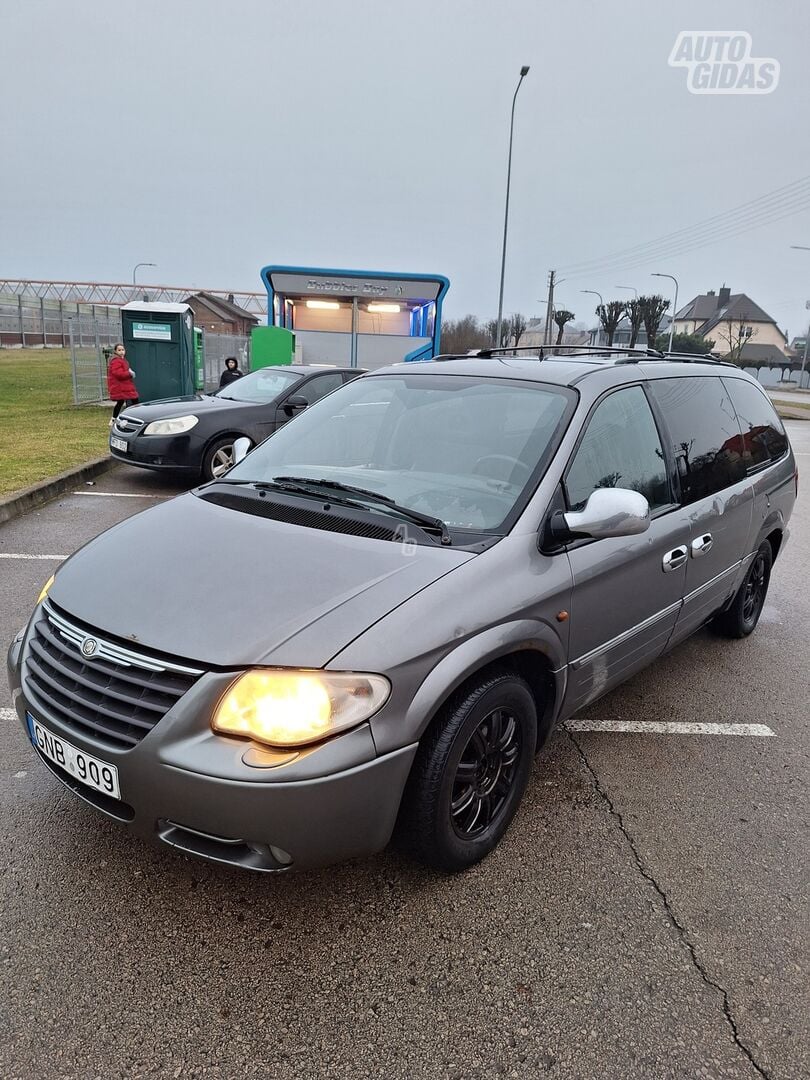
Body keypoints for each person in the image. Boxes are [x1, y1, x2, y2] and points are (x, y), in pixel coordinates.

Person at [107, 343, 139, 424]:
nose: (121, 352)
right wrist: (129, 373)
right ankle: (135, 417)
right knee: (134, 400)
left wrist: (129, 372)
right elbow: (118, 374)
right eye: (119, 350)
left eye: (123, 350)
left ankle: (114, 419)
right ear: (115, 351)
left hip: (125, 385)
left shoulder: (122, 360)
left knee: (122, 401)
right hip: (121, 386)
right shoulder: (116, 361)